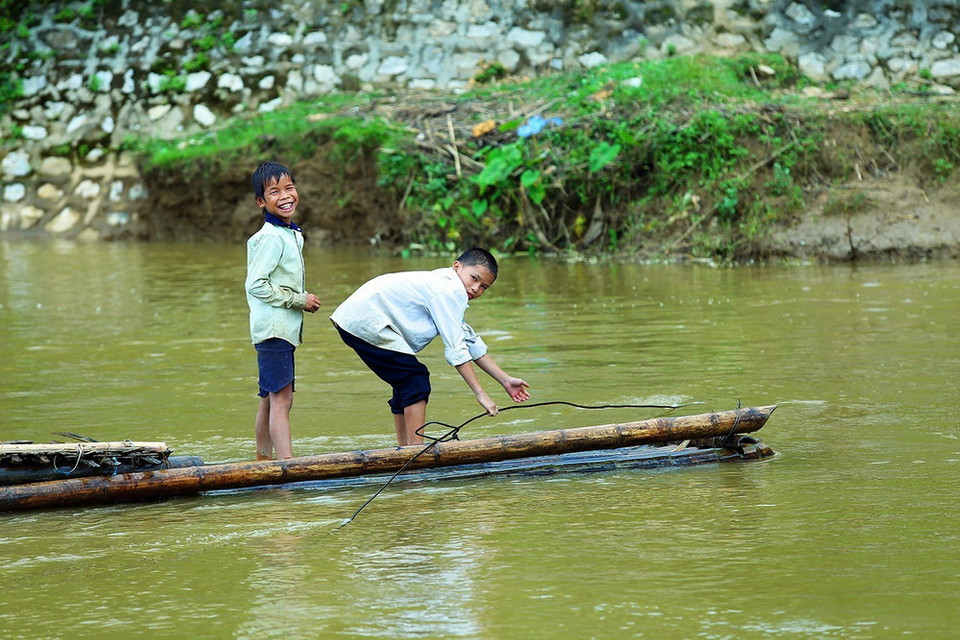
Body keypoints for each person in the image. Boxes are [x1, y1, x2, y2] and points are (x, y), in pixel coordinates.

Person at [331, 247, 531, 446]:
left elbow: (467, 339)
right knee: (415, 378)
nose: (475, 289)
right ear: (457, 266)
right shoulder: (450, 289)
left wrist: (505, 380)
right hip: (365, 319)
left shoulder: (446, 285)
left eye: (483, 287)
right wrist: (481, 394)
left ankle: (404, 449)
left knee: (405, 381)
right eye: (474, 278)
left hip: (355, 319)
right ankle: (415, 451)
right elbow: (456, 349)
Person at [245, 161, 321, 460]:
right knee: (282, 400)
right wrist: (299, 299)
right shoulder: (272, 237)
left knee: (269, 398)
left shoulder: (289, 233)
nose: (285, 196)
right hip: (275, 330)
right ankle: (286, 465)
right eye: (274, 192)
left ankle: (263, 459)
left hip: (275, 329)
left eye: (289, 188)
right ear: (261, 202)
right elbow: (256, 284)